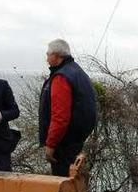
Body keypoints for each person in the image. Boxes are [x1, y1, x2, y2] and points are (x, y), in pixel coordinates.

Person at [39, 39, 97, 177]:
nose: (46, 58)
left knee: (62, 182)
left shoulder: (61, 77)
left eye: (48, 54)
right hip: (77, 140)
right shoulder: (77, 71)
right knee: (72, 179)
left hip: (64, 144)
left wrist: (51, 144)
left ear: (57, 55)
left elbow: (60, 116)